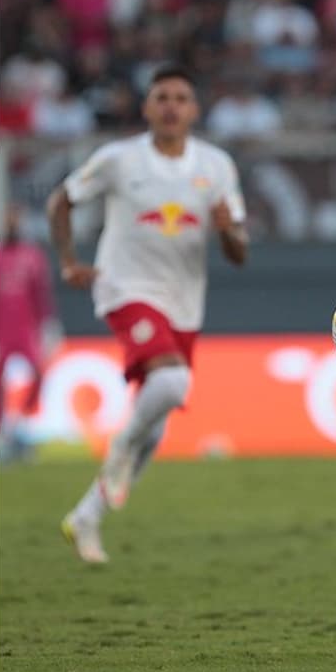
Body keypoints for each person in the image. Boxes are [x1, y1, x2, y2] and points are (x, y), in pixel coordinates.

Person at [48, 63, 249, 564]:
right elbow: (62, 201)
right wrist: (70, 261)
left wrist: (227, 230)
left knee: (156, 425)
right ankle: (119, 447)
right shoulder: (118, 159)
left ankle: (87, 516)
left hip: (183, 301)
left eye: (181, 97)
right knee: (172, 385)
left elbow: (240, 251)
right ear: (146, 107)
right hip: (124, 287)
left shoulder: (217, 165)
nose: (171, 106)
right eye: (161, 96)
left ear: (194, 109)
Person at [0, 204, 60, 461]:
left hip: (26, 329)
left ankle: (20, 423)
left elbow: (41, 294)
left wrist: (48, 325)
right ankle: (0, 432)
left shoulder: (33, 257)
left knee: (40, 373)